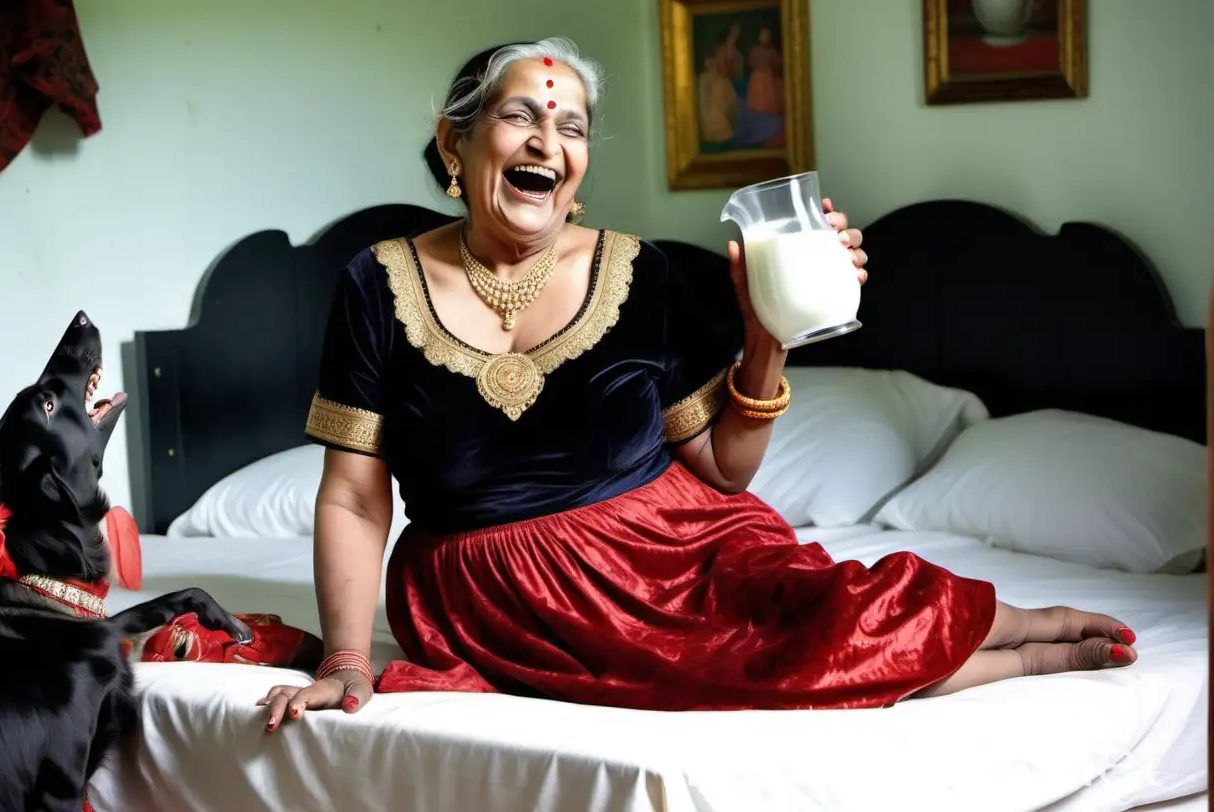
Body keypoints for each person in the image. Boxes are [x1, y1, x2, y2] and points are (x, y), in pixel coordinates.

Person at [258, 37, 1138, 730]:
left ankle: (1031, 635)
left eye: (569, 129)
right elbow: (356, 500)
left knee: (823, 620)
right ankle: (1020, 648)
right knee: (777, 662)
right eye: (519, 118)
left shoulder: (639, 275)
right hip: (485, 597)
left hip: (676, 546)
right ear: (455, 141)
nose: (547, 144)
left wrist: (767, 338)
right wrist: (345, 659)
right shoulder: (378, 283)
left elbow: (722, 470)